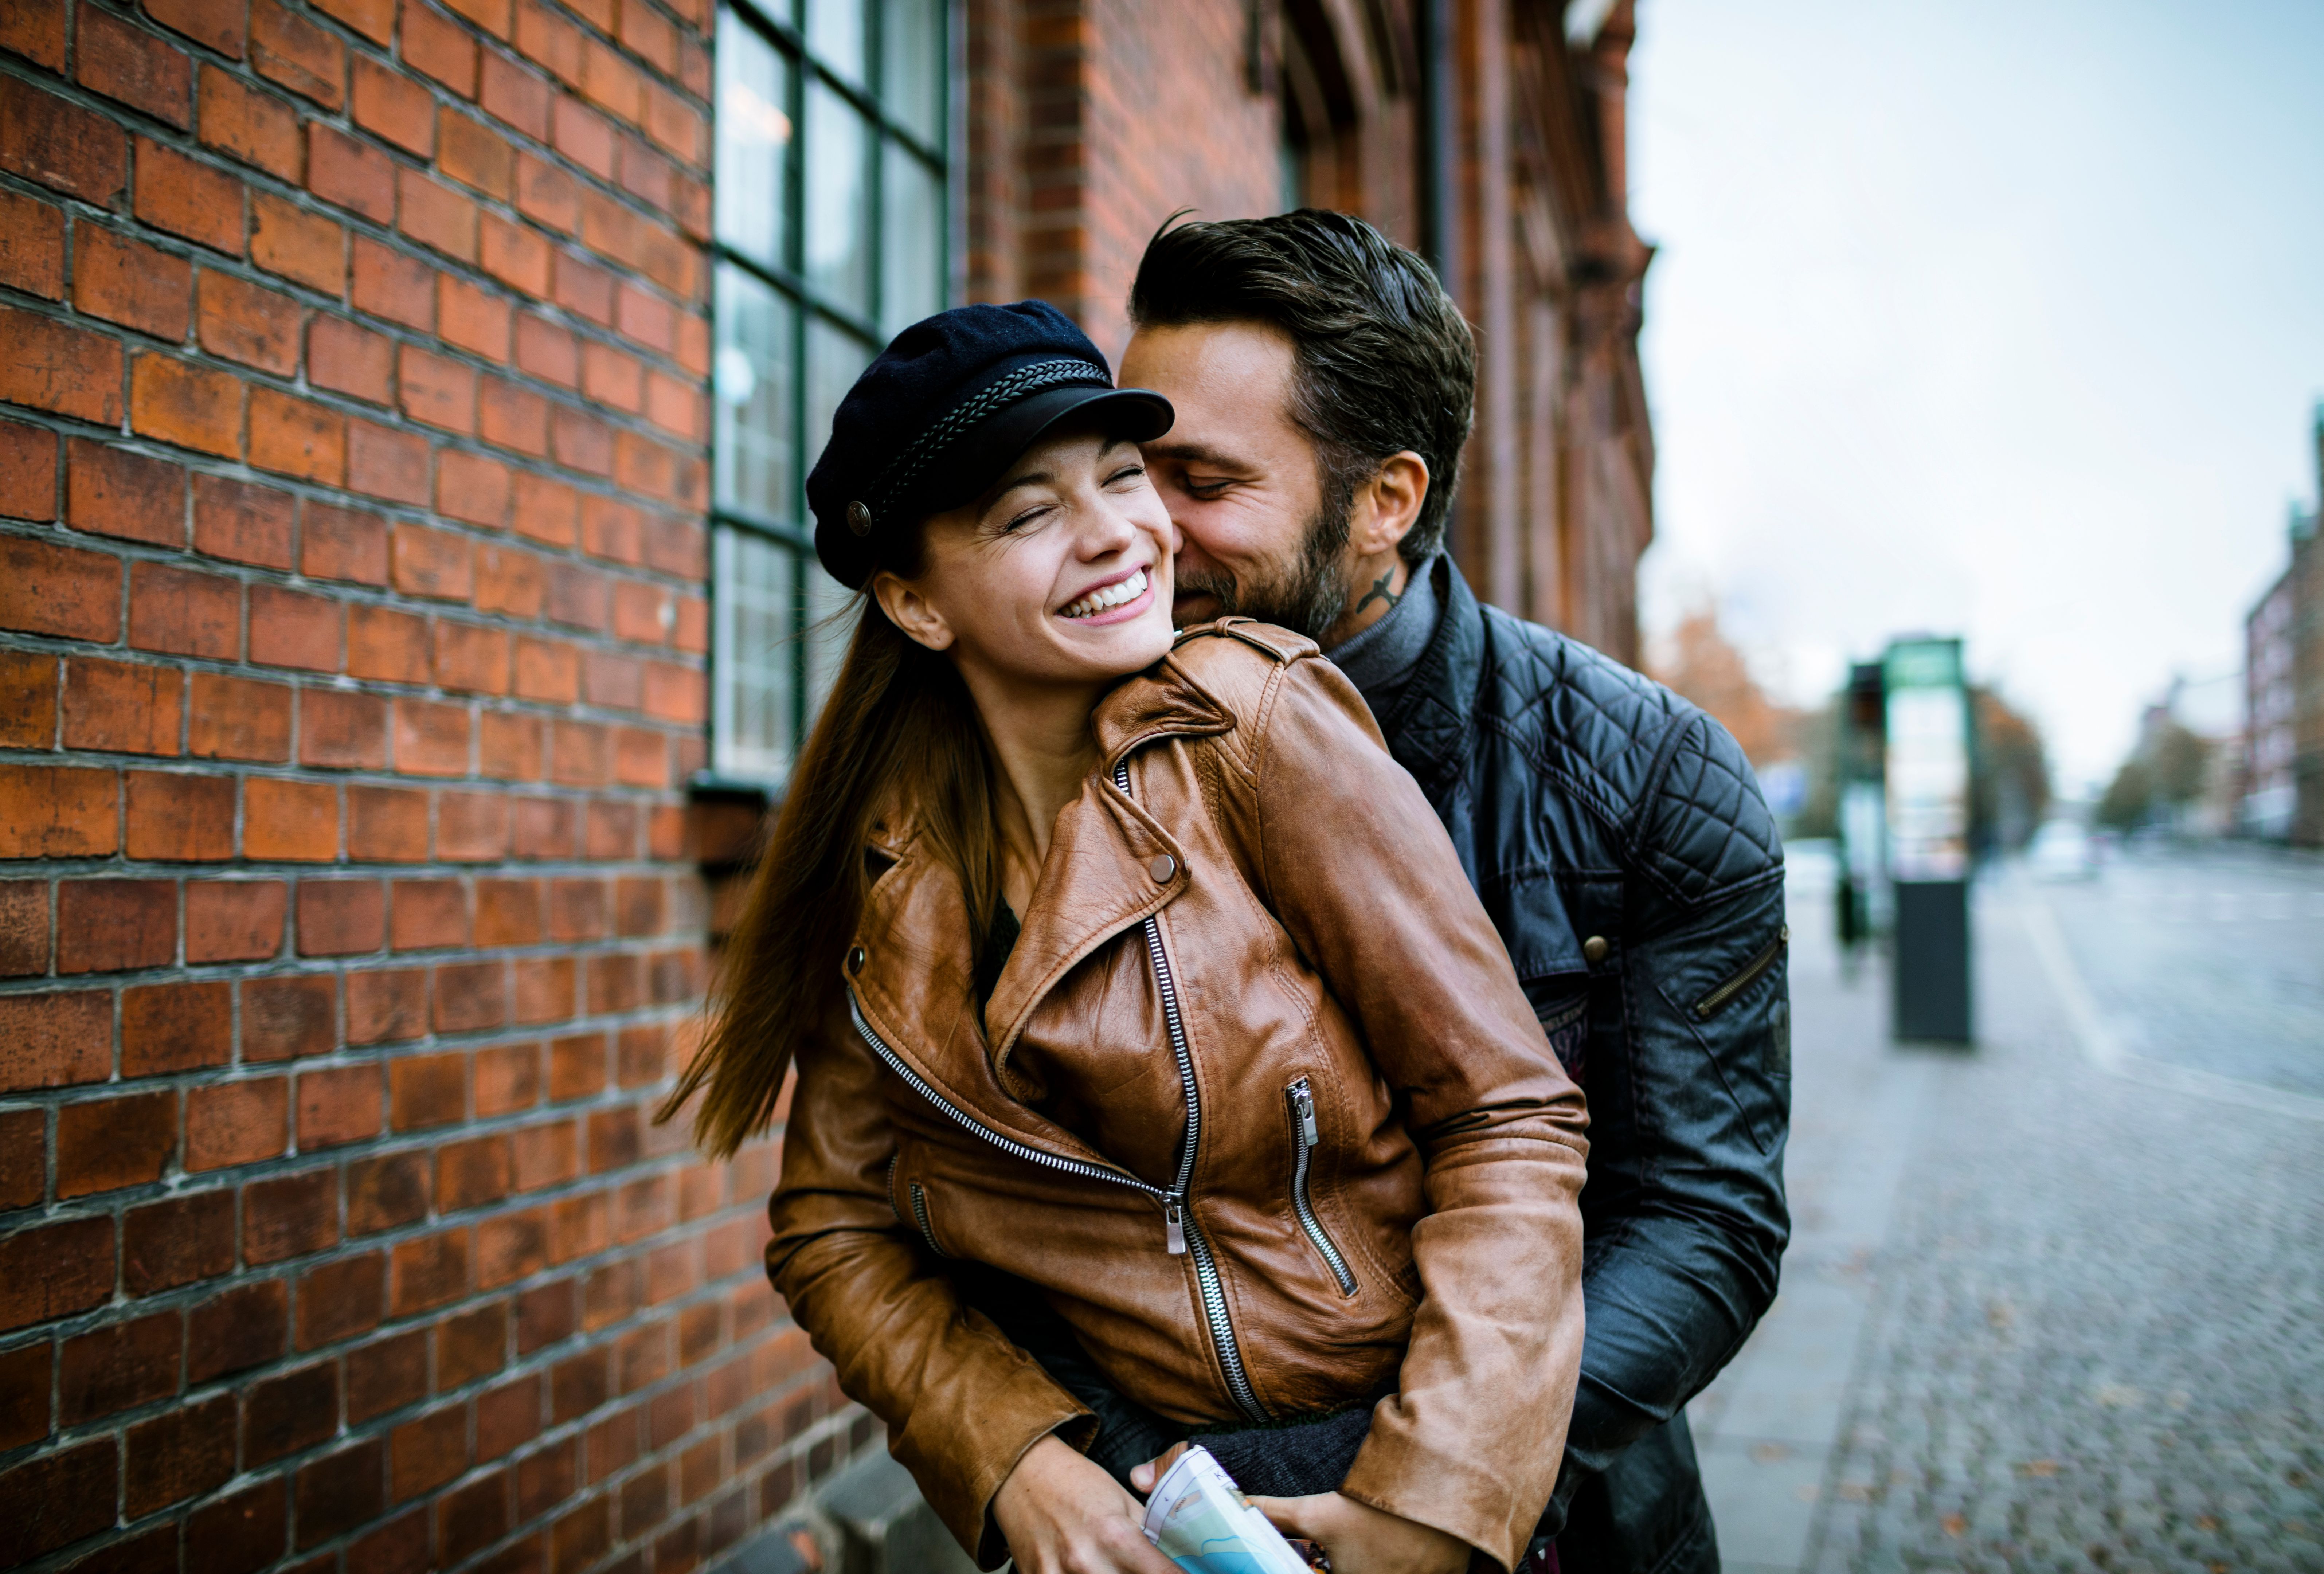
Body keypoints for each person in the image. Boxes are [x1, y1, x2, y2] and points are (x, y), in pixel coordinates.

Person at [664, 300, 1593, 1574]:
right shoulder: (885, 872)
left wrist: (1438, 1491)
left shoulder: (1253, 722)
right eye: (1029, 513)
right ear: (917, 604)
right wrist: (1013, 1460)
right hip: (1126, 1505)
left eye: (1120, 476)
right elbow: (833, 1228)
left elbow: (1508, 1117)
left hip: (1371, 1465)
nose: (1119, 534)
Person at [1107, 211, 1794, 1574]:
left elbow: (1702, 1219)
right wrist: (1048, 1465)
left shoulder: (1652, 778)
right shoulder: (1052, 737)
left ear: (1387, 502)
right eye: (1129, 471)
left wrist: (1446, 1479)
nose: (1141, 531)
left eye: (1200, 480)